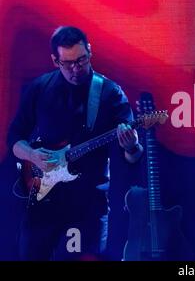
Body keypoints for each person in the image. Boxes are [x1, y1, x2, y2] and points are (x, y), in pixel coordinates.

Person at [7, 26, 143, 260]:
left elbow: (132, 157)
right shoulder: (40, 88)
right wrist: (32, 155)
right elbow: (14, 138)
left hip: (88, 203)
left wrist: (131, 146)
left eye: (81, 60)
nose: (76, 69)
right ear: (54, 60)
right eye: (68, 63)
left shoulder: (110, 93)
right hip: (43, 199)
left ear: (89, 51)